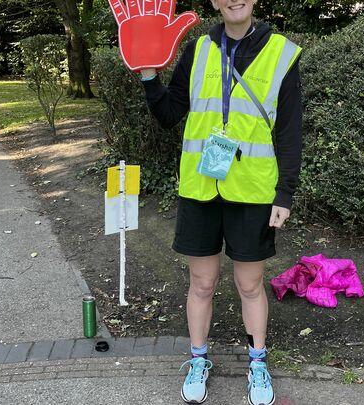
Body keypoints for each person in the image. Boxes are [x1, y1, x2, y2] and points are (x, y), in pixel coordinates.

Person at [139, 1, 302, 403]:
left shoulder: (281, 52)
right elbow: (169, 114)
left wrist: (285, 193)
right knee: (202, 282)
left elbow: (290, 130)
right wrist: (147, 75)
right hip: (201, 189)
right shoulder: (197, 50)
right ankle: (198, 360)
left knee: (250, 285)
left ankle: (258, 364)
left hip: (253, 190)